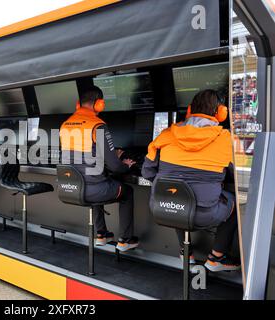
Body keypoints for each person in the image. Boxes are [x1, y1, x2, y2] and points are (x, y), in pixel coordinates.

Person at [142, 89, 240, 272]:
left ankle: (185, 251)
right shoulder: (226, 139)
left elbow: (147, 172)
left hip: (162, 209)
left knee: (176, 195)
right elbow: (237, 176)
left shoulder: (166, 134)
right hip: (205, 214)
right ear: (221, 113)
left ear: (189, 110)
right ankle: (216, 258)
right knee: (235, 203)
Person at [60, 86, 138, 252]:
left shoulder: (65, 125)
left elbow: (81, 156)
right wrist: (126, 165)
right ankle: (125, 240)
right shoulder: (97, 126)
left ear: (77, 105)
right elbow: (115, 167)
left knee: (94, 179)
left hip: (71, 187)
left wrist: (107, 155)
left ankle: (101, 234)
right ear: (100, 104)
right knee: (127, 192)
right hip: (93, 190)